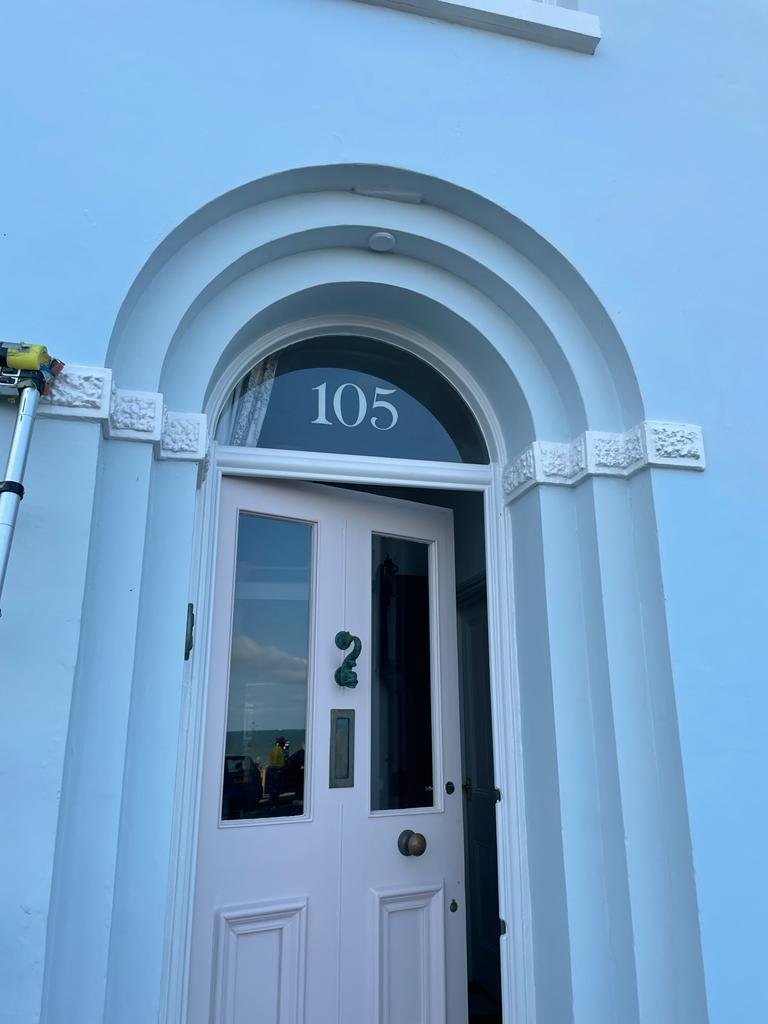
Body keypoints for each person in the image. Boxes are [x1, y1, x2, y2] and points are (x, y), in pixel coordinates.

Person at [266, 736, 287, 808]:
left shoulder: (278, 749)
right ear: (281, 742)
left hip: (276, 771)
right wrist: (278, 769)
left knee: (276, 789)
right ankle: (272, 804)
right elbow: (275, 762)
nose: (284, 743)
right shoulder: (277, 749)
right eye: (283, 742)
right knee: (274, 789)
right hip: (275, 771)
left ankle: (274, 804)